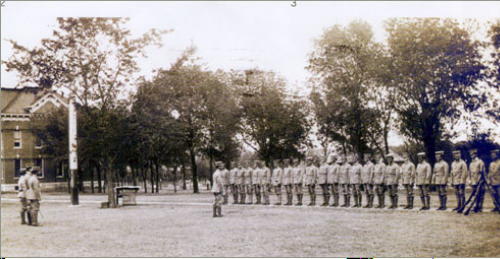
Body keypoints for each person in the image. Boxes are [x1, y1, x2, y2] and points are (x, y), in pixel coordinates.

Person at [468, 148, 486, 213]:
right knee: (475, 195)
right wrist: (469, 180)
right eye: (470, 154)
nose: (471, 155)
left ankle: (480, 207)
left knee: (480, 195)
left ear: (475, 154)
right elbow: (469, 173)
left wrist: (479, 181)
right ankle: (475, 206)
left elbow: (482, 173)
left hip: (479, 181)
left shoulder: (480, 162)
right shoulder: (471, 163)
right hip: (473, 181)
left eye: (472, 154)